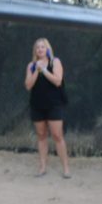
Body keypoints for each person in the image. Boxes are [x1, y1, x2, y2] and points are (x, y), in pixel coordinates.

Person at [23, 37, 71, 178]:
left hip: (54, 104)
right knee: (41, 135)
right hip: (37, 105)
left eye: (43, 47)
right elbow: (28, 85)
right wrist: (36, 71)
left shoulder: (55, 62)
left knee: (57, 135)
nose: (40, 49)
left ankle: (66, 169)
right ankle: (42, 167)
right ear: (35, 51)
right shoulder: (31, 66)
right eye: (38, 47)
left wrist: (44, 70)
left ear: (47, 49)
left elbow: (57, 81)